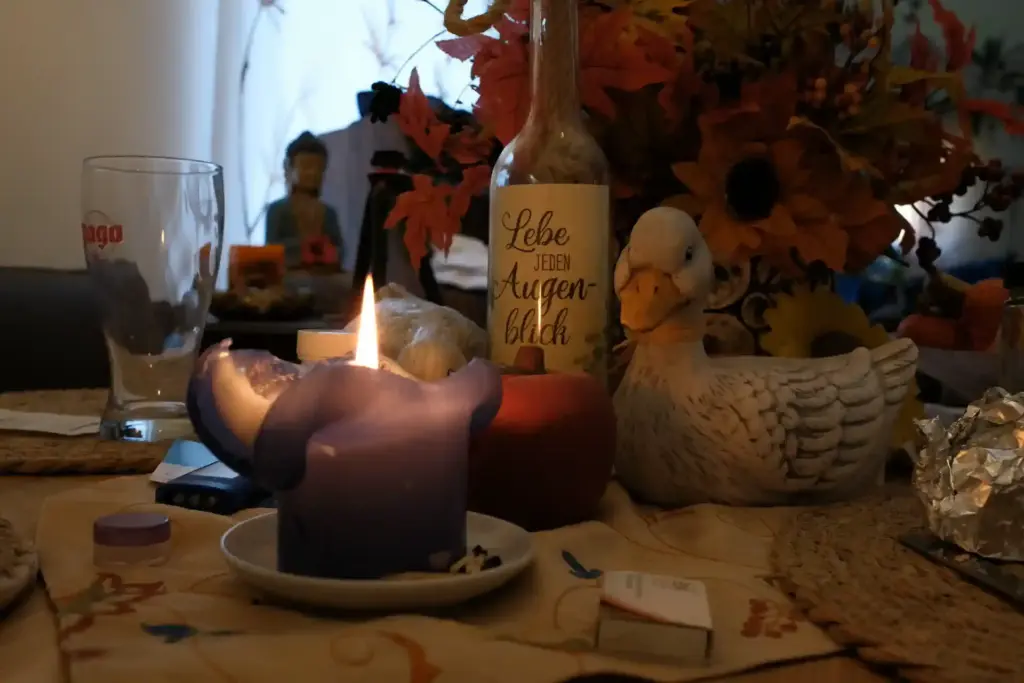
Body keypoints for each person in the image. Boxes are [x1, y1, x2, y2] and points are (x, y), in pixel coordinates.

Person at [265, 131, 343, 269]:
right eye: (307, 166)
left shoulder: (328, 213)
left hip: (323, 273)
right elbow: (272, 251)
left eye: (319, 168)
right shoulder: (277, 210)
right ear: (288, 167)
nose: (313, 173)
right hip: (290, 273)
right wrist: (304, 247)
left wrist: (329, 251)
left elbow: (340, 250)